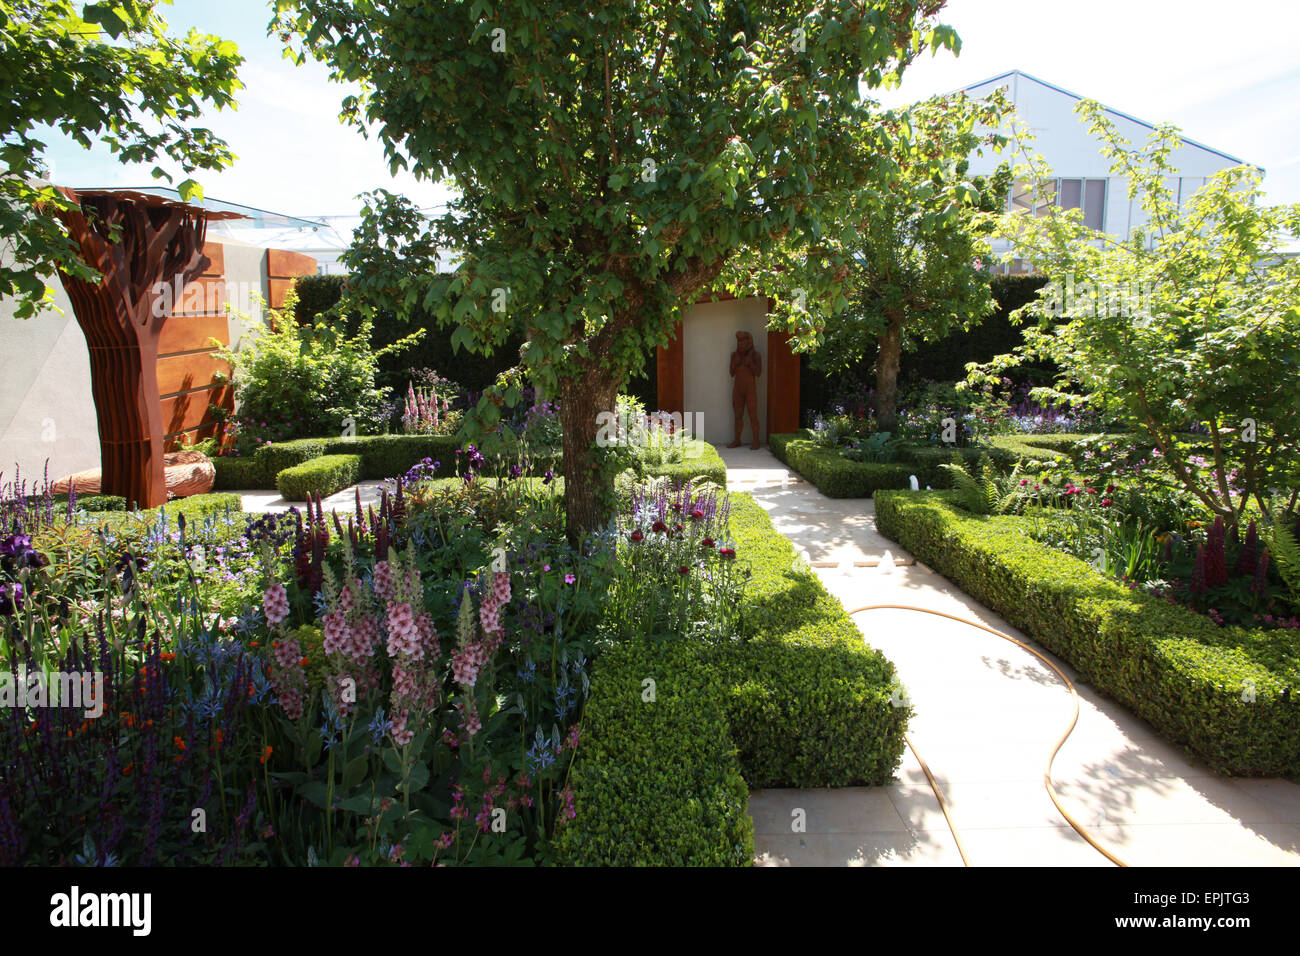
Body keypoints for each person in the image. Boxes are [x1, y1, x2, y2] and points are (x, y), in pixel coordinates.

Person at [728, 330, 762, 449]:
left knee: (753, 415)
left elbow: (758, 373)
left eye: (743, 340)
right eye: (739, 341)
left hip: (750, 390)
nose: (740, 343)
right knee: (737, 416)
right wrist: (735, 364)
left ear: (749, 342)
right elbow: (731, 373)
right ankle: (737, 440)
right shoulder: (734, 355)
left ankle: (756, 441)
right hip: (738, 389)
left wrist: (751, 364)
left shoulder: (755, 355)